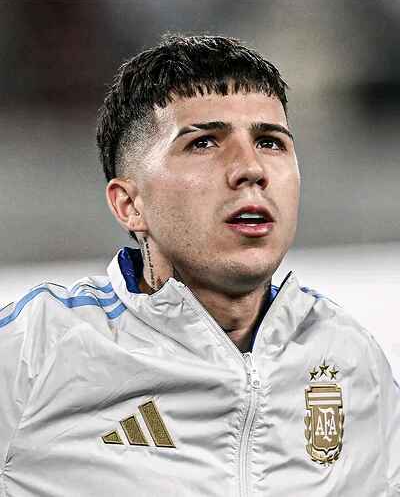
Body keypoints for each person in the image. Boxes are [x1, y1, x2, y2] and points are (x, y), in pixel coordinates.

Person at [0, 35, 398, 497]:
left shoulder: (351, 360)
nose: (251, 169)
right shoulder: (35, 351)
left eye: (270, 142)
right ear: (130, 204)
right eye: (204, 142)